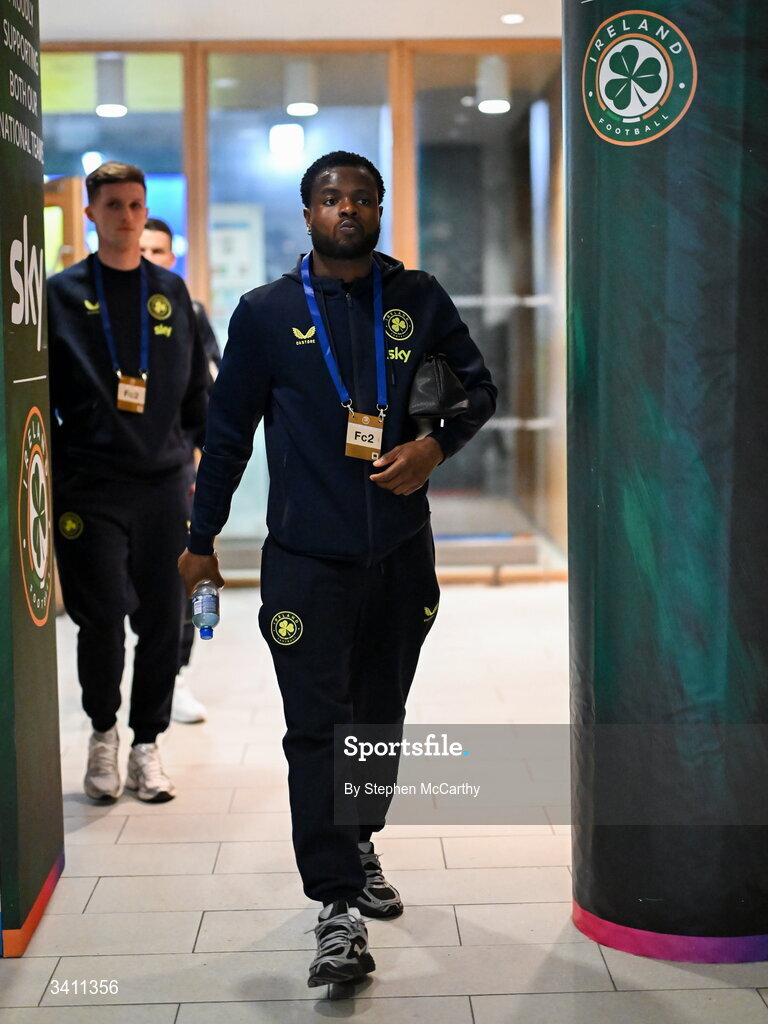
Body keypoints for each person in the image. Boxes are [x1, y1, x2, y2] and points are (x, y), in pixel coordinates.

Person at [177, 150, 496, 988]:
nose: (346, 209)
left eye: (361, 197)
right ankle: (337, 908)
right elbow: (228, 434)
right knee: (317, 728)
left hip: (400, 554)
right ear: (307, 212)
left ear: (380, 208)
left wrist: (433, 447)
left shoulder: (419, 299)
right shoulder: (264, 312)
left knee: (379, 715)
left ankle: (359, 840)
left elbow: (478, 389)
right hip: (305, 565)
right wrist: (200, 537)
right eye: (330, 198)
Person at [48, 161, 208, 804]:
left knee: (165, 621)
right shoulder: (61, 296)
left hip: (164, 486)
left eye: (135, 204)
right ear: (90, 213)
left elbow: (198, 394)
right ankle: (103, 735)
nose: (125, 215)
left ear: (146, 212)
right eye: (112, 204)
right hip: (90, 484)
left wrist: (193, 460)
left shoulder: (171, 294)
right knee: (101, 622)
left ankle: (147, 744)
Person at [140, 216, 222, 724]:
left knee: (188, 579)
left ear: (173, 257)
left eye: (159, 251)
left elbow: (212, 383)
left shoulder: (188, 312)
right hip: (121, 474)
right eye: (143, 250)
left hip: (178, 472)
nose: (150, 258)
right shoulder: (101, 311)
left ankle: (178, 676)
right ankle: (146, 673)